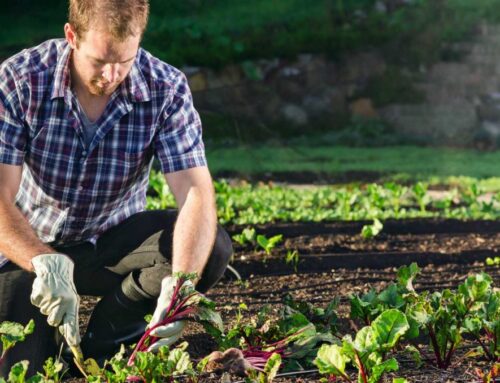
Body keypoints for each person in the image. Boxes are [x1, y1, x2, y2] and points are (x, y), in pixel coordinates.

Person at [0, 0, 232, 376]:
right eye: (99, 61)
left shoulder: (165, 87)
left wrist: (181, 285)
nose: (110, 75)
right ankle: (54, 340)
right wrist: (42, 261)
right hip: (30, 252)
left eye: (124, 61)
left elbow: (196, 193)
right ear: (71, 36)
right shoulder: (21, 79)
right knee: (23, 369)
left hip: (111, 243)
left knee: (213, 247)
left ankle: (109, 341)